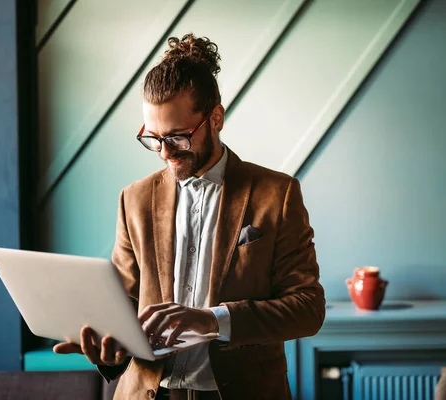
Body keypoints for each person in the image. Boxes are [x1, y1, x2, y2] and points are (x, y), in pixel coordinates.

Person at [53, 33, 326, 400]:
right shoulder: (133, 200)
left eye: (179, 138)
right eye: (154, 138)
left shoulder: (278, 195)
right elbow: (124, 308)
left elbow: (307, 308)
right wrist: (109, 347)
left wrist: (212, 320)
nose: (165, 153)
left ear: (216, 117)